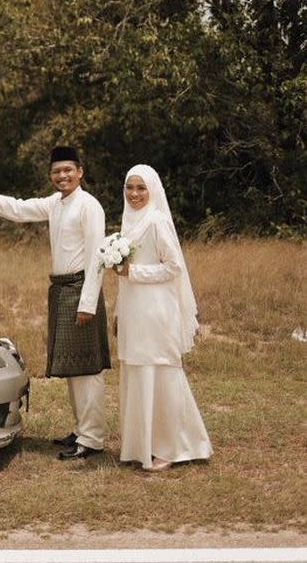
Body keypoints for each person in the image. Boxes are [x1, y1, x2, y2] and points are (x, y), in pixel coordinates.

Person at [0, 146, 110, 459]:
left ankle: (93, 439)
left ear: (80, 172)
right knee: (72, 367)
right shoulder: (55, 203)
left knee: (88, 368)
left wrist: (88, 303)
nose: (62, 176)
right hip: (62, 291)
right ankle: (82, 431)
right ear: (51, 175)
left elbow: (97, 258)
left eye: (68, 170)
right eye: (57, 171)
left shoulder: (89, 206)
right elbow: (18, 209)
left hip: (81, 292)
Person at [114, 164, 213, 471]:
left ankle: (173, 447)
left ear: (153, 190)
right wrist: (118, 311)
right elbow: (121, 275)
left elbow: (174, 267)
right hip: (134, 310)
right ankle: (141, 446)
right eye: (130, 187)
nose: (134, 194)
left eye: (141, 188)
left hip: (156, 311)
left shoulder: (156, 221)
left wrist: (135, 272)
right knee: (138, 372)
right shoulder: (128, 223)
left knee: (161, 374)